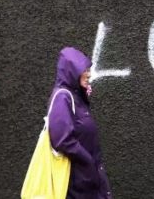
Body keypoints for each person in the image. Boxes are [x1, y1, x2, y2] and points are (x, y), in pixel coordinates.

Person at [47, 47, 112, 199]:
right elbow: (62, 139)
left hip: (87, 180)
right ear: (72, 71)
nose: (89, 74)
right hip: (77, 185)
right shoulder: (62, 98)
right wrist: (87, 160)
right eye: (84, 70)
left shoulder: (75, 97)